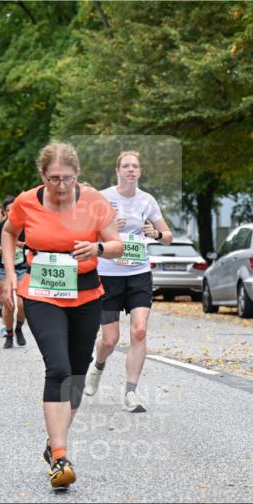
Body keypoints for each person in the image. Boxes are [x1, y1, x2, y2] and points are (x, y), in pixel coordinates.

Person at [1, 142, 120, 488]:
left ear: (77, 175)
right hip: (41, 292)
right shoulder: (26, 201)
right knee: (58, 368)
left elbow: (117, 244)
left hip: (85, 292)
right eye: (54, 179)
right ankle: (60, 457)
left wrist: (97, 247)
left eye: (67, 178)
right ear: (42, 176)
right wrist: (11, 273)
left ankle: (54, 442)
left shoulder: (94, 201)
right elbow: (9, 233)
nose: (61, 186)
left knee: (77, 378)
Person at [83, 151, 173, 413]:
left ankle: (131, 393)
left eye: (135, 166)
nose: (131, 170)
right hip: (109, 273)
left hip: (138, 273)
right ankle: (97, 366)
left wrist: (155, 233)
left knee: (140, 330)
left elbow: (168, 236)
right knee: (110, 339)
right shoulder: (103, 197)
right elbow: (86, 230)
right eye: (126, 166)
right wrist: (108, 227)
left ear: (140, 172)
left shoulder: (148, 200)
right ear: (118, 170)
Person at [0, 196, 31, 349]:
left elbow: (34, 245)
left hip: (21, 268)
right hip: (3, 269)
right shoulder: (1, 226)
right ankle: (9, 334)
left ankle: (19, 328)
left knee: (22, 303)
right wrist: (5, 248)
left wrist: (21, 245)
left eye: (14, 209)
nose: (11, 212)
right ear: (5, 212)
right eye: (7, 210)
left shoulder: (26, 226)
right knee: (9, 303)